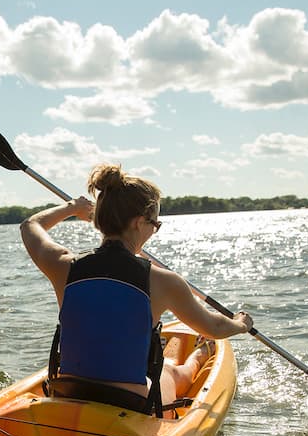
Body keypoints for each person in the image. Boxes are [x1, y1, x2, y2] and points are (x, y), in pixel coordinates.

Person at [20, 164, 253, 415]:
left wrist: (72, 208)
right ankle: (199, 355)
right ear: (139, 222)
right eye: (155, 224)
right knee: (170, 372)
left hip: (68, 392)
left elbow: (30, 225)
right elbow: (214, 327)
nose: (154, 230)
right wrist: (241, 324)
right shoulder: (163, 281)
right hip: (131, 404)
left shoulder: (63, 265)